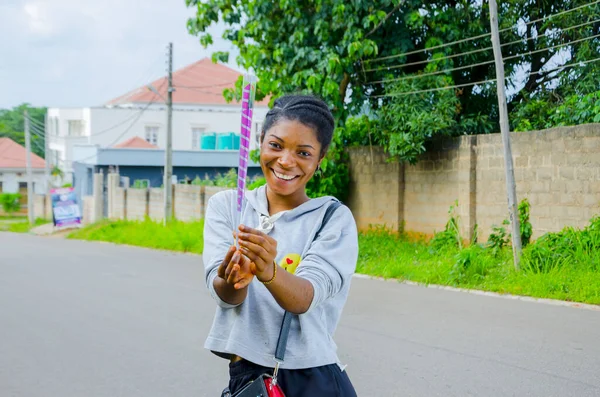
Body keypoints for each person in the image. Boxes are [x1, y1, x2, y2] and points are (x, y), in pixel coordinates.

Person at [203, 94, 358, 397]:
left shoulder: (332, 219)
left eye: (303, 152)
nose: (286, 161)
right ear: (260, 140)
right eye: (275, 145)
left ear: (319, 159)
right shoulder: (228, 207)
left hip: (312, 381)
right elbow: (225, 296)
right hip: (248, 380)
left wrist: (268, 270)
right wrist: (235, 278)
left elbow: (303, 298)